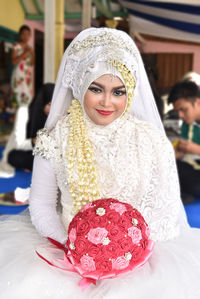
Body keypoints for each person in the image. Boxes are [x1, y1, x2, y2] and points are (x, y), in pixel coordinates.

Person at [0, 28, 200, 299]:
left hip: (138, 255)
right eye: (96, 89)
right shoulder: (56, 138)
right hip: (67, 250)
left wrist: (125, 251)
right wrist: (77, 248)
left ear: (130, 91)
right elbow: (42, 205)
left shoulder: (151, 140)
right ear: (81, 85)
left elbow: (163, 210)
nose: (107, 102)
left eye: (118, 92)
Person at [0, 25, 34, 177]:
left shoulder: (29, 47)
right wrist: (25, 52)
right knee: (19, 108)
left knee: (26, 108)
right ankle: (16, 130)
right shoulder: (16, 46)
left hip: (26, 79)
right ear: (20, 35)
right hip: (19, 79)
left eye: (28, 34)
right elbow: (14, 61)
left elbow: (31, 64)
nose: (26, 36)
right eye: (24, 33)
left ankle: (20, 132)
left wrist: (31, 54)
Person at [7, 83, 54, 171]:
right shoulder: (24, 112)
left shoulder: (54, 115)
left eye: (54, 105)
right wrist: (34, 141)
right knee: (13, 157)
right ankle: (38, 166)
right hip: (28, 151)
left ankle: (36, 166)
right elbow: (19, 144)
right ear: (42, 101)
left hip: (46, 153)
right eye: (49, 104)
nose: (52, 109)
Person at [168, 80, 200, 203]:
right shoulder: (188, 123)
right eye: (178, 111)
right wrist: (175, 154)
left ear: (197, 102)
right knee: (170, 167)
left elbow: (193, 150)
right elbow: (184, 153)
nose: (180, 115)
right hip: (195, 169)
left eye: (183, 109)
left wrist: (195, 149)